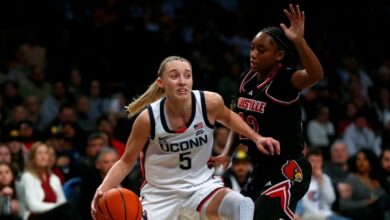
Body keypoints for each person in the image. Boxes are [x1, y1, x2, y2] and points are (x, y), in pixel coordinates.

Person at [90, 55, 280, 220]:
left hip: (201, 188)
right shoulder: (148, 119)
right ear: (161, 83)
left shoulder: (209, 103)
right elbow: (125, 161)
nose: (182, 81)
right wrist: (103, 188)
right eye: (174, 76)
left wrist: (257, 138)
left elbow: (230, 118)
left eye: (187, 75)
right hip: (160, 194)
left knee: (242, 205)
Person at [226, 4, 324, 220]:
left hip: (289, 168)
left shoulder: (285, 80)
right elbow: (237, 120)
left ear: (279, 55)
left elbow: (316, 75)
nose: (253, 54)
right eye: (252, 48)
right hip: (261, 169)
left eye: (261, 50)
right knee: (236, 215)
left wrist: (299, 41)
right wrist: (226, 154)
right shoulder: (245, 79)